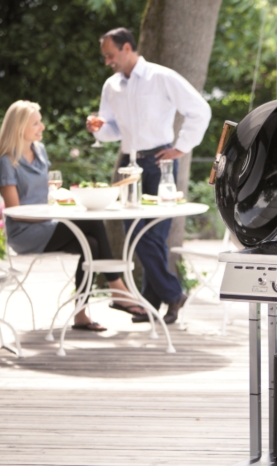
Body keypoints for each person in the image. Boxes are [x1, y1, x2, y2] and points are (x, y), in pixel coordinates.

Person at [87, 27, 211, 325]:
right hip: (128, 164)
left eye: (111, 55)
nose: (107, 62)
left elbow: (200, 110)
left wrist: (181, 148)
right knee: (134, 233)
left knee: (152, 234)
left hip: (159, 162)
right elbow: (112, 131)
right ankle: (157, 301)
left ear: (127, 48)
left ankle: (170, 295)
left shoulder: (161, 77)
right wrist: (98, 128)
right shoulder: (111, 86)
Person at [0, 100, 135, 332]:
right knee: (93, 224)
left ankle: (81, 314)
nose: (42, 127)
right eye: (36, 123)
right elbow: (16, 212)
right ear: (19, 127)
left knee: (90, 244)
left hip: (47, 224)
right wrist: (53, 214)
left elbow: (44, 191)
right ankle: (117, 288)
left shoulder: (39, 151)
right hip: (25, 233)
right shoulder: (6, 162)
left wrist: (55, 203)